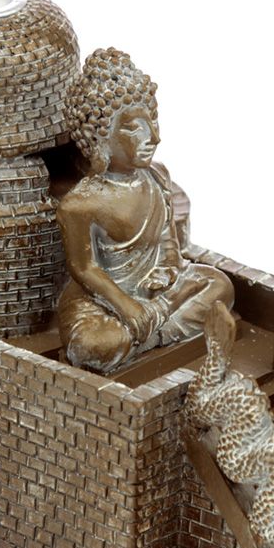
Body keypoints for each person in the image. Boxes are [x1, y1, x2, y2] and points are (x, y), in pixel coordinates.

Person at [57, 48, 234, 373]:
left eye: (152, 121)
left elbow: (168, 242)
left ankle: (150, 336)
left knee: (220, 286)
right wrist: (126, 306)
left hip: (156, 290)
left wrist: (168, 270)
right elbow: (85, 269)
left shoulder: (156, 177)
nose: (154, 136)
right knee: (93, 346)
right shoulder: (79, 204)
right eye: (133, 128)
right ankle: (154, 327)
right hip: (103, 301)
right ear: (100, 138)